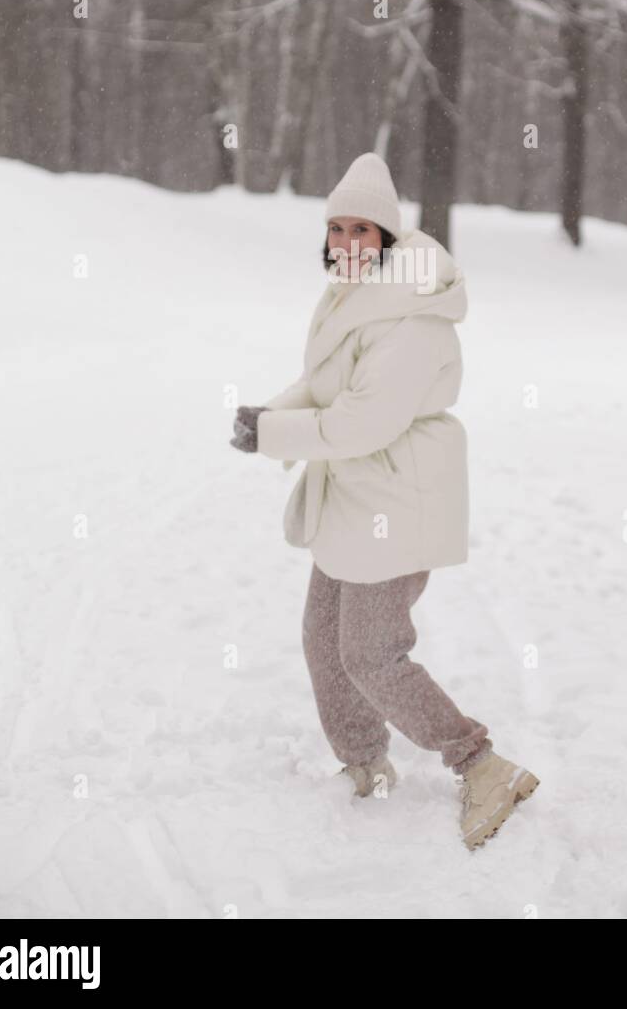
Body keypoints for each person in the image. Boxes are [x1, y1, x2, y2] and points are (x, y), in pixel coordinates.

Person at [231, 152, 539, 850]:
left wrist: (274, 433)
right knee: (323, 639)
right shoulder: (352, 293)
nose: (347, 243)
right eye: (337, 228)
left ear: (388, 239)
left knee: (371, 653)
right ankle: (365, 762)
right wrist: (266, 417)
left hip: (396, 497)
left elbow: (363, 421)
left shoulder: (411, 319)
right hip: (355, 493)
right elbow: (323, 386)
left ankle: (481, 764)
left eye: (362, 230)